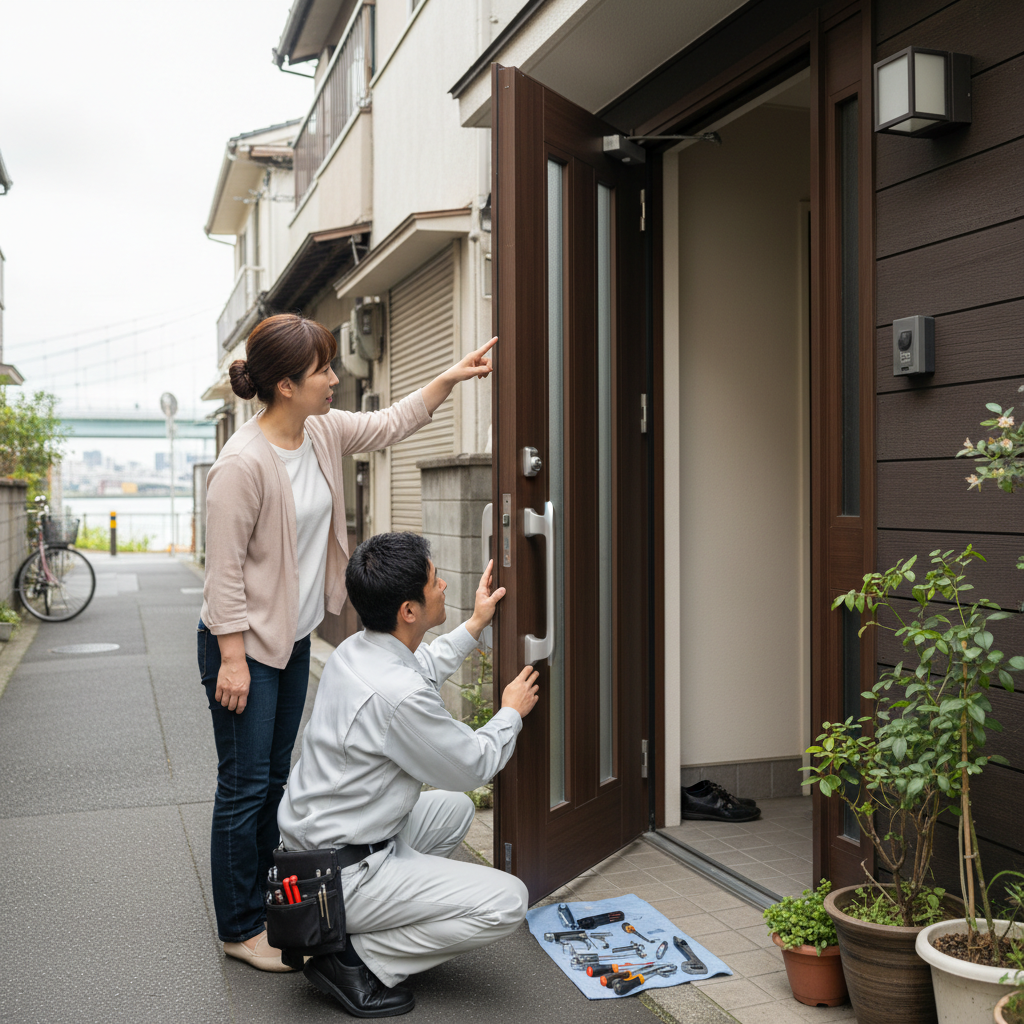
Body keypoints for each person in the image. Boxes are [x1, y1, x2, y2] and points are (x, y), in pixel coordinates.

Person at [198, 313, 495, 972]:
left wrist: (449, 377)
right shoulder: (241, 466)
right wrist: (232, 659)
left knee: (274, 779)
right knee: (244, 787)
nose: (335, 379)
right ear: (283, 385)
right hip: (242, 646)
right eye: (322, 370)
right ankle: (241, 927)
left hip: (293, 636)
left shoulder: (321, 431)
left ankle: (284, 903)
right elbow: (223, 577)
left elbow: (390, 424)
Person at [277, 532, 540, 1017]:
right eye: (433, 579)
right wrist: (510, 713)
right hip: (342, 874)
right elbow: (472, 765)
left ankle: (354, 929)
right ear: (409, 611)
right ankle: (357, 960)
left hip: (317, 850)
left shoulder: (357, 650)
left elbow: (417, 668)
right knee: (508, 900)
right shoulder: (396, 694)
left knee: (453, 811)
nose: (443, 584)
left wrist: (475, 625)